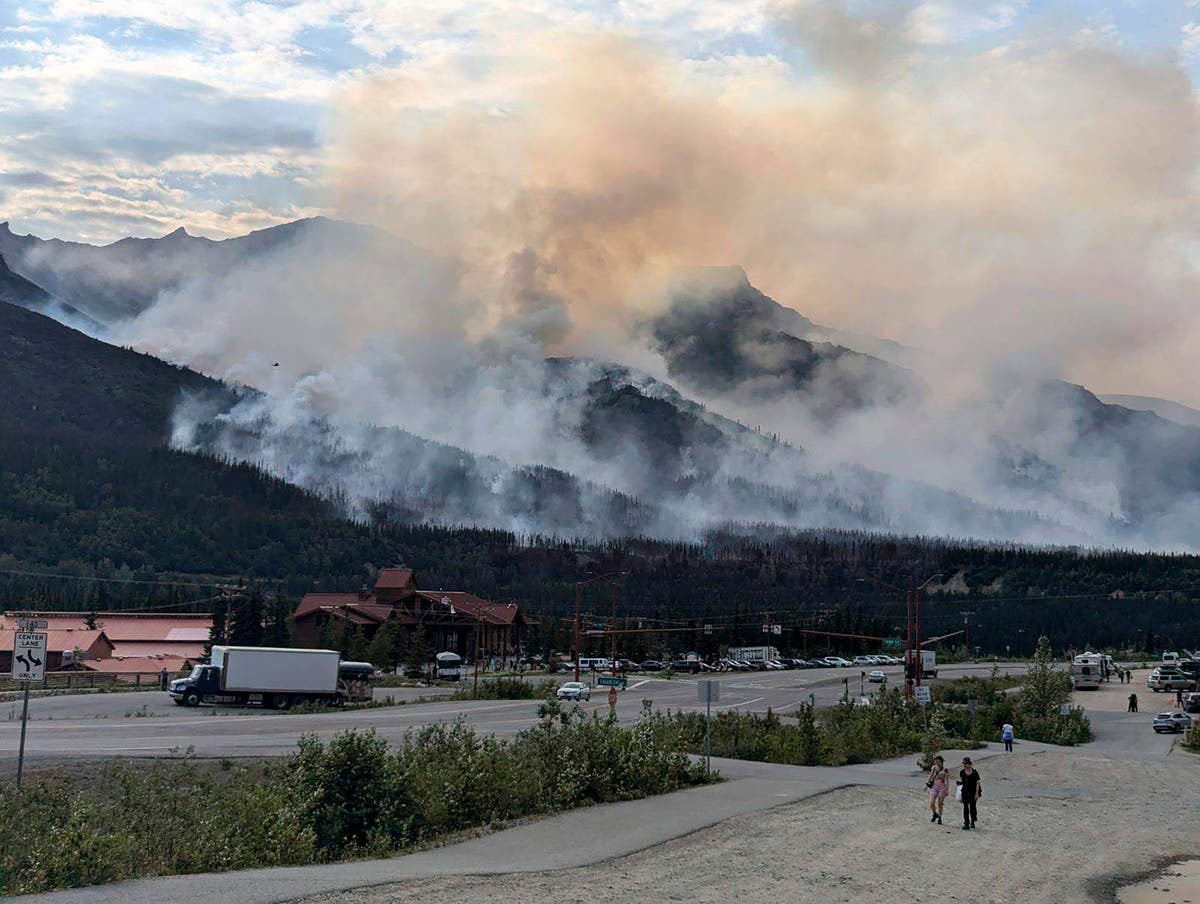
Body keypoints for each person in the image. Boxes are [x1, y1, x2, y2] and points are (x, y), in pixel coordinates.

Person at [959, 757, 982, 830]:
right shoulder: (962, 772)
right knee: (965, 807)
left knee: (972, 807)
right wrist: (959, 794)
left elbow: (977, 782)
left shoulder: (974, 772)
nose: (965, 765)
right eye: (964, 763)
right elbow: (962, 782)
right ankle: (966, 823)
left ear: (969, 763)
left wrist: (977, 793)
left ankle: (972, 821)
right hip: (965, 791)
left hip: (973, 791)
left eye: (966, 763)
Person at [926, 755, 949, 824]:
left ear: (941, 762)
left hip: (942, 787)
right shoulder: (934, 767)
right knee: (931, 802)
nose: (937, 763)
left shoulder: (945, 769)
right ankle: (934, 813)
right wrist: (927, 783)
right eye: (935, 762)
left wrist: (947, 789)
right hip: (934, 786)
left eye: (938, 762)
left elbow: (947, 780)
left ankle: (940, 817)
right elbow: (931, 776)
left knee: (940, 804)